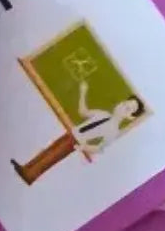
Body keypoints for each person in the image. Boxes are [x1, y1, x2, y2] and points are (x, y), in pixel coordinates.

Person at [10, 79, 145, 185]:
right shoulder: (103, 114)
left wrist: (83, 147)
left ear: (130, 117)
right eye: (124, 104)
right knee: (48, 151)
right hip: (72, 133)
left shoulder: (113, 130)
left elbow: (99, 148)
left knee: (52, 157)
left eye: (128, 109)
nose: (122, 107)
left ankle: (30, 175)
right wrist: (83, 92)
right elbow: (83, 112)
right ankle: (26, 167)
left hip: (76, 141)